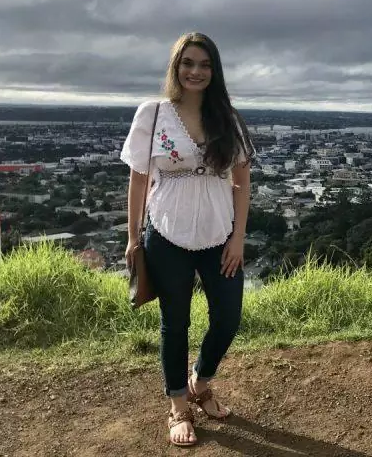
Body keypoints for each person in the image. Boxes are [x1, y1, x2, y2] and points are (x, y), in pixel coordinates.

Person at [120, 32, 253, 447]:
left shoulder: (226, 117)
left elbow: (243, 181)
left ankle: (200, 380)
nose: (196, 71)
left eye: (205, 64)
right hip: (166, 234)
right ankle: (179, 405)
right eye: (188, 63)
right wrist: (132, 237)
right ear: (176, 67)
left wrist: (237, 239)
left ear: (215, 72)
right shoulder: (154, 114)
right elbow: (138, 180)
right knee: (174, 324)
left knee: (228, 318)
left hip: (219, 236)